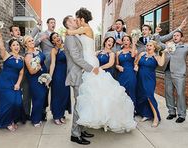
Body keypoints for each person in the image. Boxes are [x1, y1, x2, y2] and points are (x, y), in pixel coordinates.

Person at [66, 8, 136, 133]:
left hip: (90, 63)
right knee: (90, 94)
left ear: (82, 19)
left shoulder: (86, 29)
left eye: (77, 19)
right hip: (88, 61)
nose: (76, 21)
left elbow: (70, 32)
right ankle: (84, 124)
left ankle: (83, 126)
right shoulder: (83, 31)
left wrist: (68, 29)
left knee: (93, 93)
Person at [63, 15, 97, 145]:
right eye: (72, 20)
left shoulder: (75, 35)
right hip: (76, 75)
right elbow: (76, 57)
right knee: (79, 105)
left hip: (81, 73)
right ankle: (75, 134)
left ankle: (81, 130)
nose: (75, 21)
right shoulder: (70, 38)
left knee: (83, 104)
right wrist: (90, 68)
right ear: (68, 25)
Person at [162, 31, 188, 123]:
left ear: (181, 37)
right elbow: (159, 46)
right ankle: (172, 112)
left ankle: (181, 115)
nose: (175, 37)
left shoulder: (185, 47)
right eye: (174, 35)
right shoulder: (168, 46)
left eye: (177, 35)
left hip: (179, 74)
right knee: (168, 93)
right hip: (168, 72)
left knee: (180, 94)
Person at [5, 22, 41, 121]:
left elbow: (30, 37)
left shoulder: (22, 40)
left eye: (19, 30)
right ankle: (14, 115)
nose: (18, 31)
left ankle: (26, 114)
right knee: (14, 94)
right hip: (14, 73)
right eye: (15, 30)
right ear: (11, 33)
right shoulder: (8, 42)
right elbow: (8, 56)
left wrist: (37, 26)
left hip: (25, 71)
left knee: (27, 94)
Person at [0, 31, 25, 131]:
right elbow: (2, 47)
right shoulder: (7, 56)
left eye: (17, 44)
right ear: (11, 47)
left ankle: (12, 119)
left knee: (18, 102)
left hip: (15, 83)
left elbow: (21, 73)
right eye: (13, 45)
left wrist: (18, 84)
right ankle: (7, 122)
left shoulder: (22, 58)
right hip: (4, 82)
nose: (16, 46)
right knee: (9, 102)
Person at [135, 40, 166, 127]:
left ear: (154, 47)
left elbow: (161, 63)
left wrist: (164, 53)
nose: (148, 47)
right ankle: (146, 114)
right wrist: (136, 66)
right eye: (147, 45)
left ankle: (156, 117)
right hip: (140, 78)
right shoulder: (142, 54)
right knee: (142, 96)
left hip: (149, 79)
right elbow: (136, 63)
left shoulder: (156, 56)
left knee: (149, 96)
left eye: (150, 45)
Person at [24, 35, 48, 127]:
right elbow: (31, 71)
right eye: (29, 41)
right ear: (26, 45)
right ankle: (35, 120)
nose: (32, 42)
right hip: (35, 79)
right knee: (38, 98)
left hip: (43, 78)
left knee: (42, 98)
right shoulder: (28, 56)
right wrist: (39, 67)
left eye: (32, 40)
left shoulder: (38, 50)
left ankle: (38, 116)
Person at [35, 18, 56, 120]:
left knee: (56, 89)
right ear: (47, 24)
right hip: (46, 64)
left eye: (54, 22)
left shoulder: (57, 35)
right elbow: (33, 44)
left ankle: (57, 111)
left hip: (57, 65)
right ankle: (43, 111)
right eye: (51, 22)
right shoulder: (41, 34)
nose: (53, 24)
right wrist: (40, 39)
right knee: (44, 89)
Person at [49, 32, 71, 125]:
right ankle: (56, 116)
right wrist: (49, 77)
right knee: (57, 96)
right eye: (54, 38)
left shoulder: (66, 47)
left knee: (65, 95)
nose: (57, 38)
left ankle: (61, 114)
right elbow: (52, 64)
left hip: (66, 74)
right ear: (53, 41)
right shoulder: (54, 50)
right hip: (57, 75)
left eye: (57, 36)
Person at [116, 35, 138, 110]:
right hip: (121, 74)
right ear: (122, 42)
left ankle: (132, 109)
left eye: (127, 40)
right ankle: (122, 109)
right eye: (124, 40)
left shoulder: (134, 50)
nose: (125, 41)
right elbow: (117, 64)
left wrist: (134, 44)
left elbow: (132, 56)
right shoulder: (118, 52)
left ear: (130, 42)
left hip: (131, 73)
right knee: (122, 91)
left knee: (131, 90)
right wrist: (118, 67)